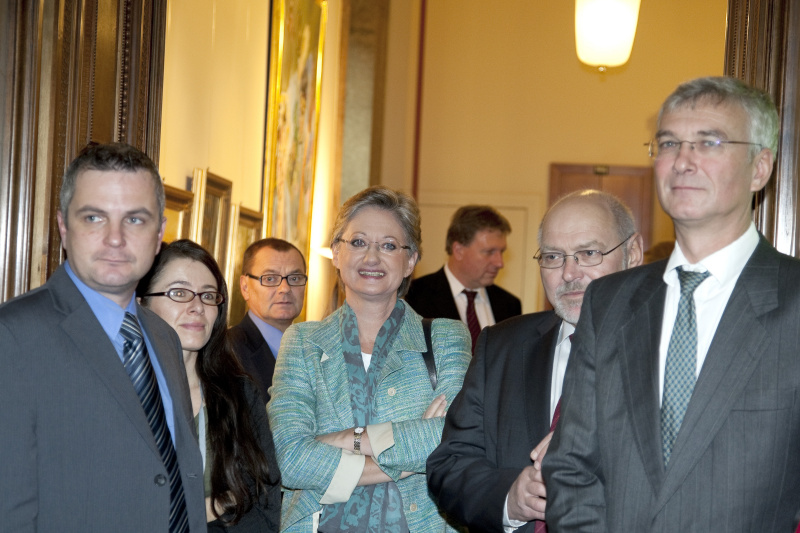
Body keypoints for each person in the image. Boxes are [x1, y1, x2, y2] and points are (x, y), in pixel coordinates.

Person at [544, 76, 800, 531]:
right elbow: (571, 469)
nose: (683, 161)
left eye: (709, 142)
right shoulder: (609, 302)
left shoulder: (793, 302)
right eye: (668, 143)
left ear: (760, 168)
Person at [0, 142, 205, 531]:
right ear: (63, 226)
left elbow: (177, 478)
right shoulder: (13, 337)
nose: (115, 238)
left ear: (160, 232)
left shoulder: (164, 338)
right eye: (94, 217)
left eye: (135, 220)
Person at [427, 190, 643, 532]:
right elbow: (449, 466)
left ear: (632, 254)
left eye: (588, 253)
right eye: (554, 256)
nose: (570, 273)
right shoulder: (500, 347)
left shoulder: (672, 353)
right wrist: (509, 499)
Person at [267, 185, 472, 532]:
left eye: (389, 245)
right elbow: (289, 459)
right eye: (358, 242)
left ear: (410, 261)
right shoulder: (302, 342)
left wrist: (338, 440)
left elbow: (453, 439)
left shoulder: (445, 337)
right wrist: (412, 451)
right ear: (335, 252)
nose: (372, 258)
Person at [138, 239, 281, 532]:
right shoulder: (114, 394)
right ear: (141, 303)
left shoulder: (239, 394)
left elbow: (268, 506)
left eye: (207, 295)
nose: (197, 307)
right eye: (179, 293)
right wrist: (213, 505)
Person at [405, 205, 522, 348]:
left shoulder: (510, 306)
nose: (499, 263)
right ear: (458, 250)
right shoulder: (413, 296)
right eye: (489, 252)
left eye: (501, 252)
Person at [230, 238, 307, 401]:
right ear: (245, 287)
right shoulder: (227, 352)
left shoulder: (314, 349)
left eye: (294, 278)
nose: (285, 289)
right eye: (270, 279)